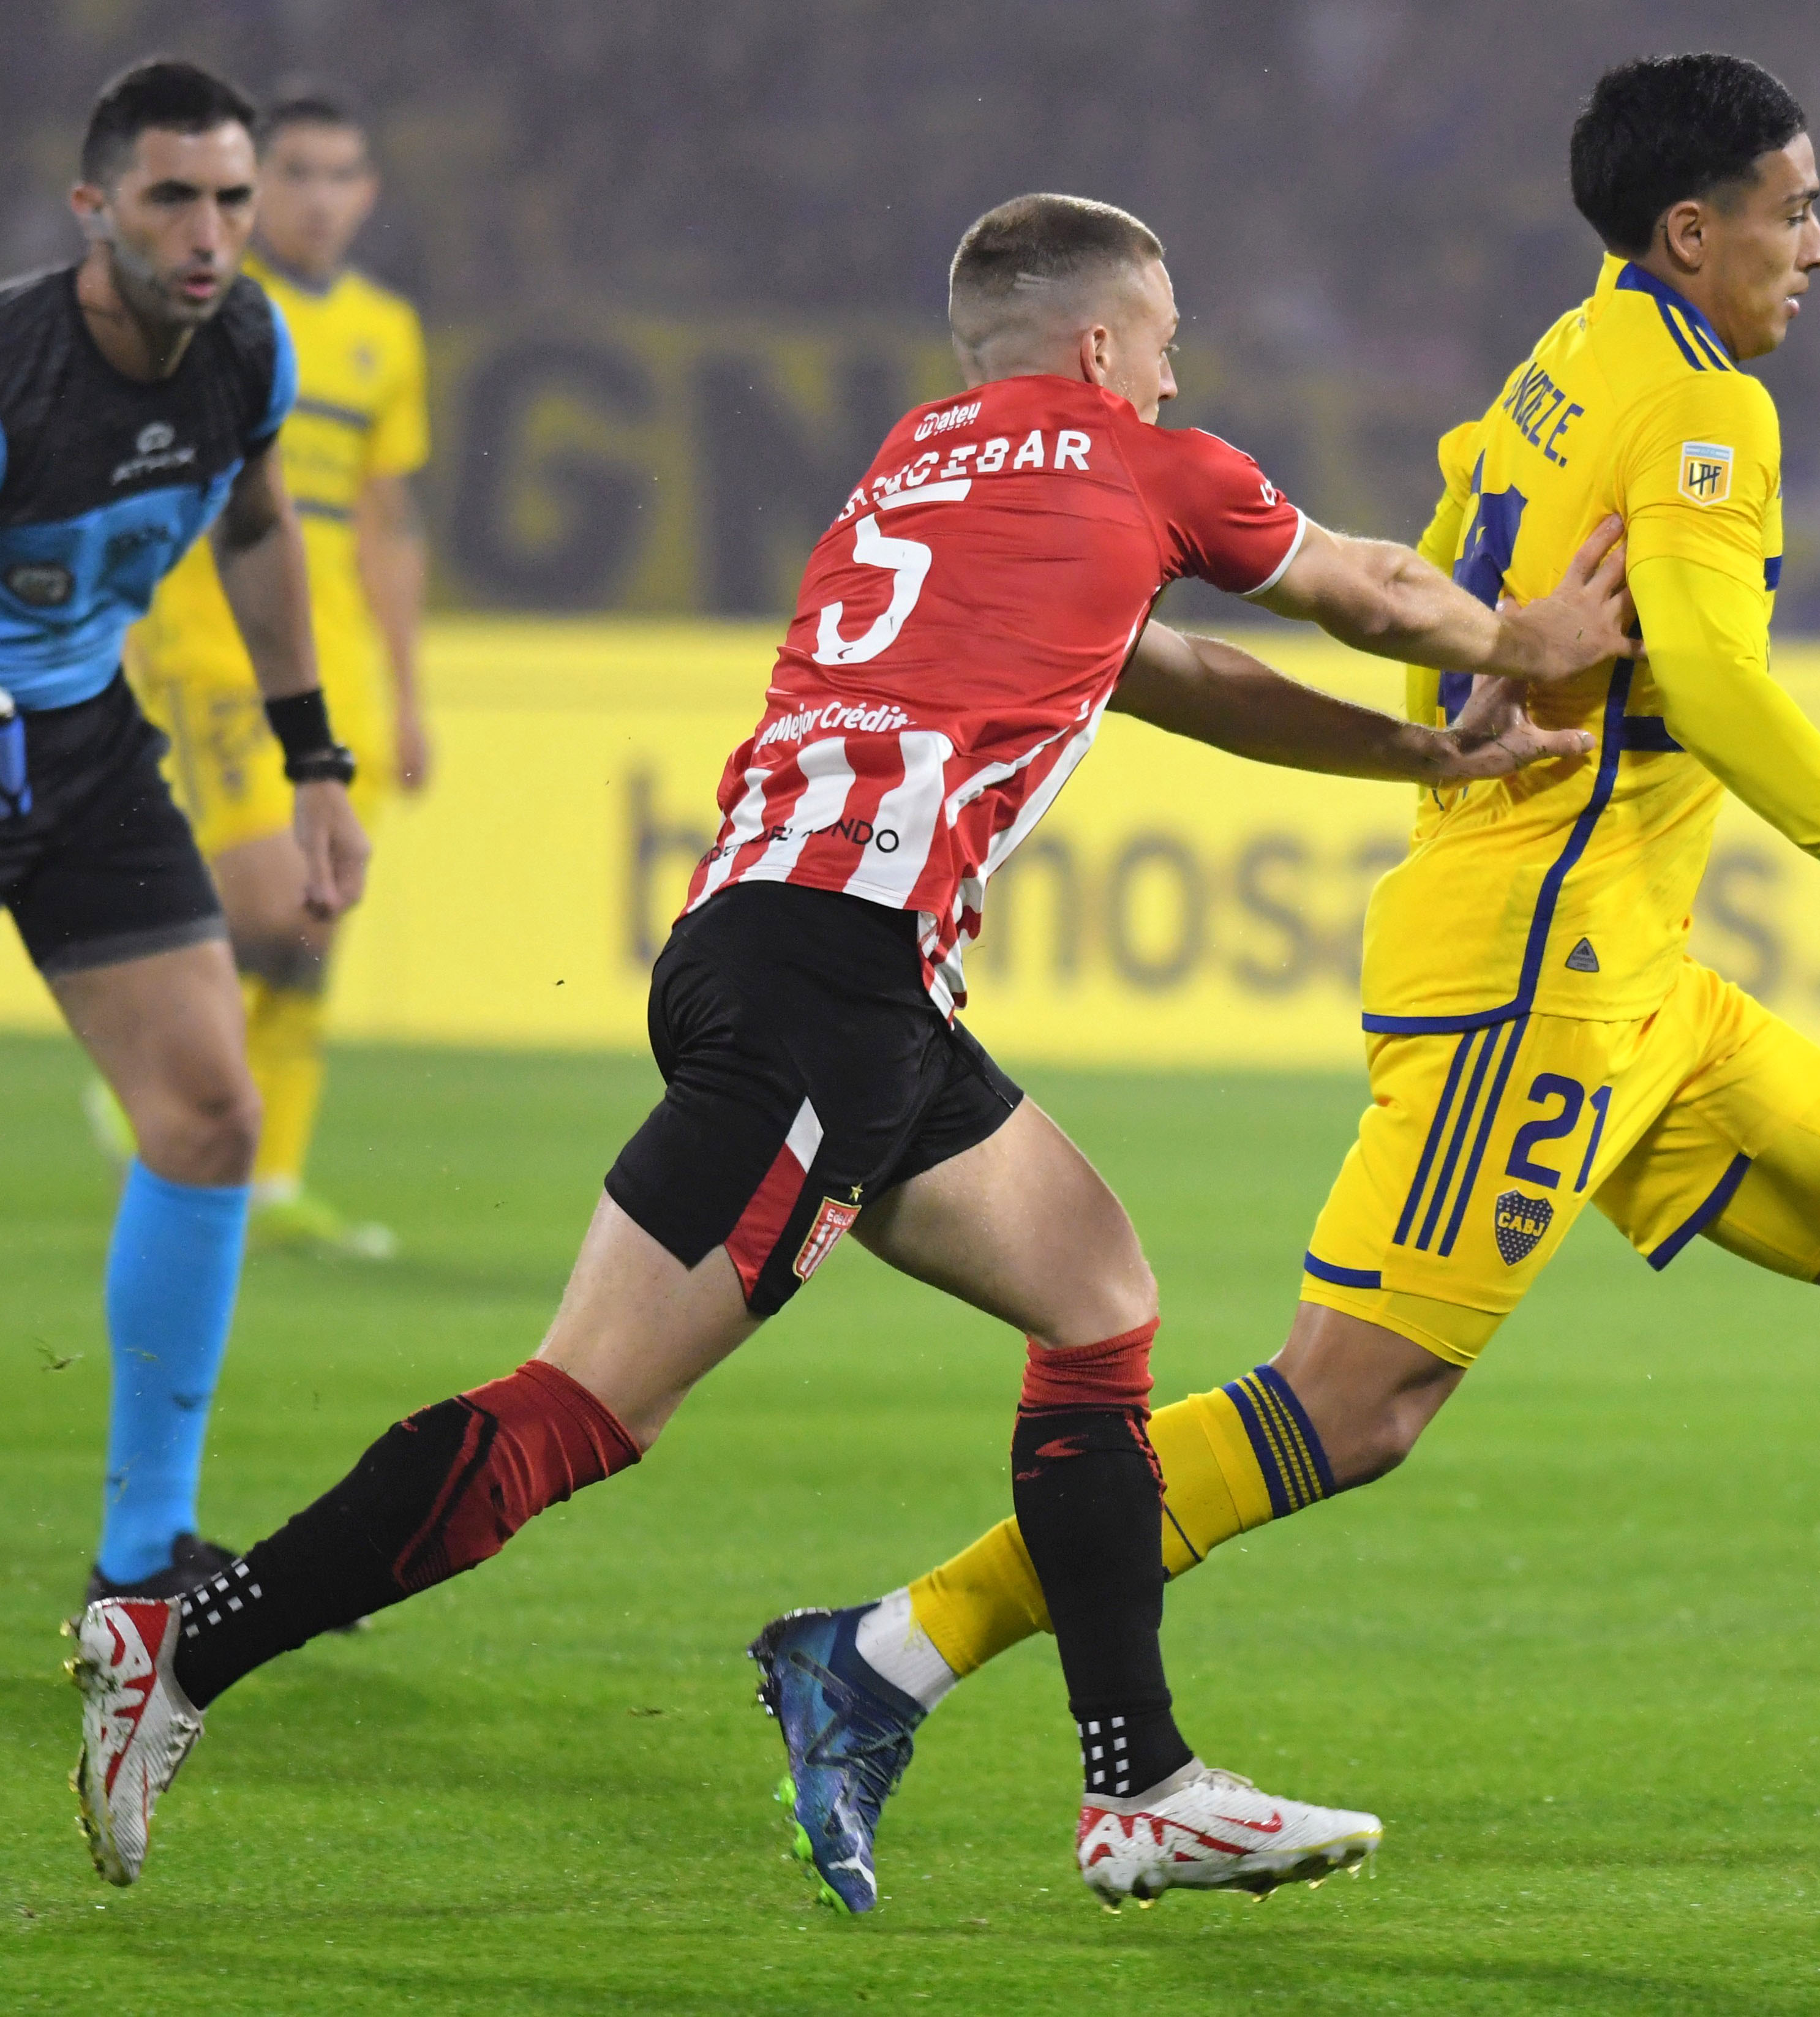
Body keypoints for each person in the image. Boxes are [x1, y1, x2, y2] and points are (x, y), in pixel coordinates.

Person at [68, 191, 1638, 1906]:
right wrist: (1524, 646)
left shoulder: (915, 466)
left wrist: (1419, 767)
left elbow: (1171, 674)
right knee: (586, 1403)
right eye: (1166, 335)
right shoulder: (1136, 454)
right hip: (836, 973)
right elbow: (1375, 585)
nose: (1178, 368)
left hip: (792, 950)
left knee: (1097, 1290)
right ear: (1103, 344)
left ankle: (1141, 1783)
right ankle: (187, 1641)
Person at [773, 54, 1820, 1914]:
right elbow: (1702, 677)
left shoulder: (1564, 362)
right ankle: (878, 1659)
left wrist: (1469, 717)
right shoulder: (1695, 406)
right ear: (1689, 232)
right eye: (1792, 210)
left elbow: (1453, 596)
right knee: (1343, 1409)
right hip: (1533, 976)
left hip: (1637, 977)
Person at [4, 60, 372, 1616]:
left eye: (230, 195)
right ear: (94, 207)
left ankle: (144, 1550)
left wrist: (314, 758)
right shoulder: (18, 368)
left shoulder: (244, 347)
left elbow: (257, 524)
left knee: (211, 1112)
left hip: (79, 752)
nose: (212, 230)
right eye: (174, 196)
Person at [111, 88, 432, 1258]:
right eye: (294, 172)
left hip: (338, 653)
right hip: (212, 639)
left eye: (340, 175)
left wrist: (407, 690)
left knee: (315, 923)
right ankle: (153, 1066)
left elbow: (390, 522)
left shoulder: (385, 333)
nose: (318, 197)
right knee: (267, 898)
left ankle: (268, 1176)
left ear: (368, 194)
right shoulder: (205, 310)